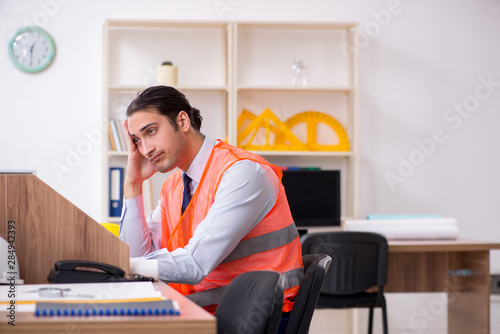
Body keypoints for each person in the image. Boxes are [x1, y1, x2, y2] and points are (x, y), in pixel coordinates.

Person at [119, 85, 303, 330]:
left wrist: (116, 264)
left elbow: (194, 264)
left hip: (256, 318)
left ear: (182, 120)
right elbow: (137, 258)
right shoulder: (175, 186)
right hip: (203, 313)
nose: (146, 149)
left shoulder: (241, 173)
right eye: (137, 141)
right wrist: (133, 184)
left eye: (151, 132)